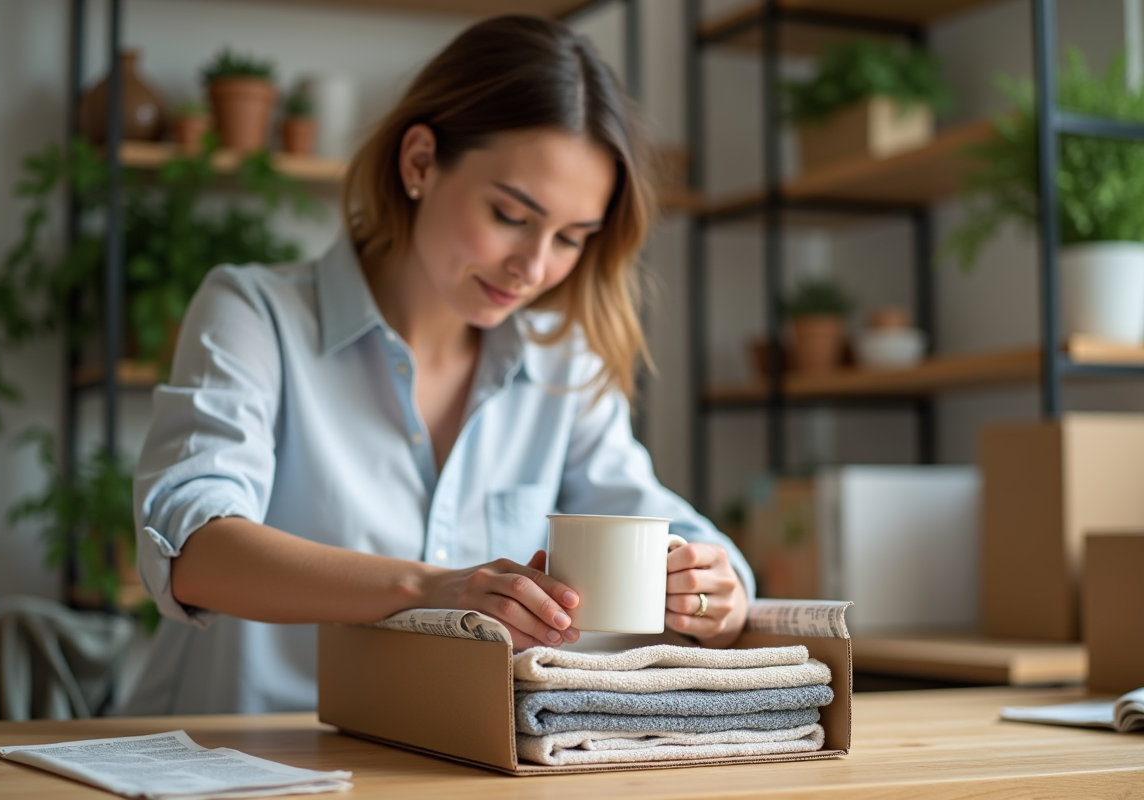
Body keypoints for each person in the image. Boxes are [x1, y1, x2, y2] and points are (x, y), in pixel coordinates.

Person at [123, 15, 755, 717]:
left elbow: (655, 517)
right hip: (243, 758)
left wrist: (716, 587)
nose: (535, 267)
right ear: (420, 162)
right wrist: (429, 590)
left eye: (572, 239)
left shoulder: (560, 361)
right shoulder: (255, 312)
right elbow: (193, 547)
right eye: (511, 215)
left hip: (448, 768)